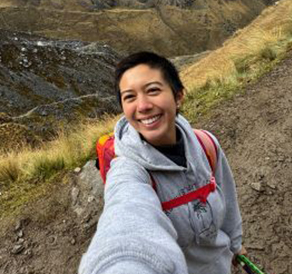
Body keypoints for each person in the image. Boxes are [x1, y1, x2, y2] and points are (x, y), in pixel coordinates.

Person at [79, 51, 246, 274]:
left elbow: (228, 199)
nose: (143, 105)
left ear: (178, 96)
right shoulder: (128, 172)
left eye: (153, 91)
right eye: (129, 97)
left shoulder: (206, 144)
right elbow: (126, 220)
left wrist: (235, 246)